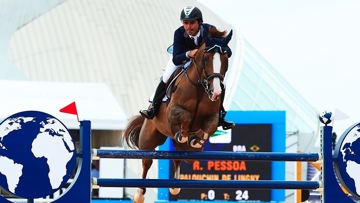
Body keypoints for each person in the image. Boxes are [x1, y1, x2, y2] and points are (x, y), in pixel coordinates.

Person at [140, 5, 235, 130]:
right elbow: (176, 58)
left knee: (219, 83)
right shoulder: (179, 33)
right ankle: (154, 107)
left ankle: (221, 115)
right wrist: (188, 54)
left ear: (200, 22)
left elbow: (226, 50)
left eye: (192, 23)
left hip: (203, 62)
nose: (189, 26)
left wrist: (219, 49)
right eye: (186, 23)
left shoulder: (209, 29)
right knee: (166, 77)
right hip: (182, 59)